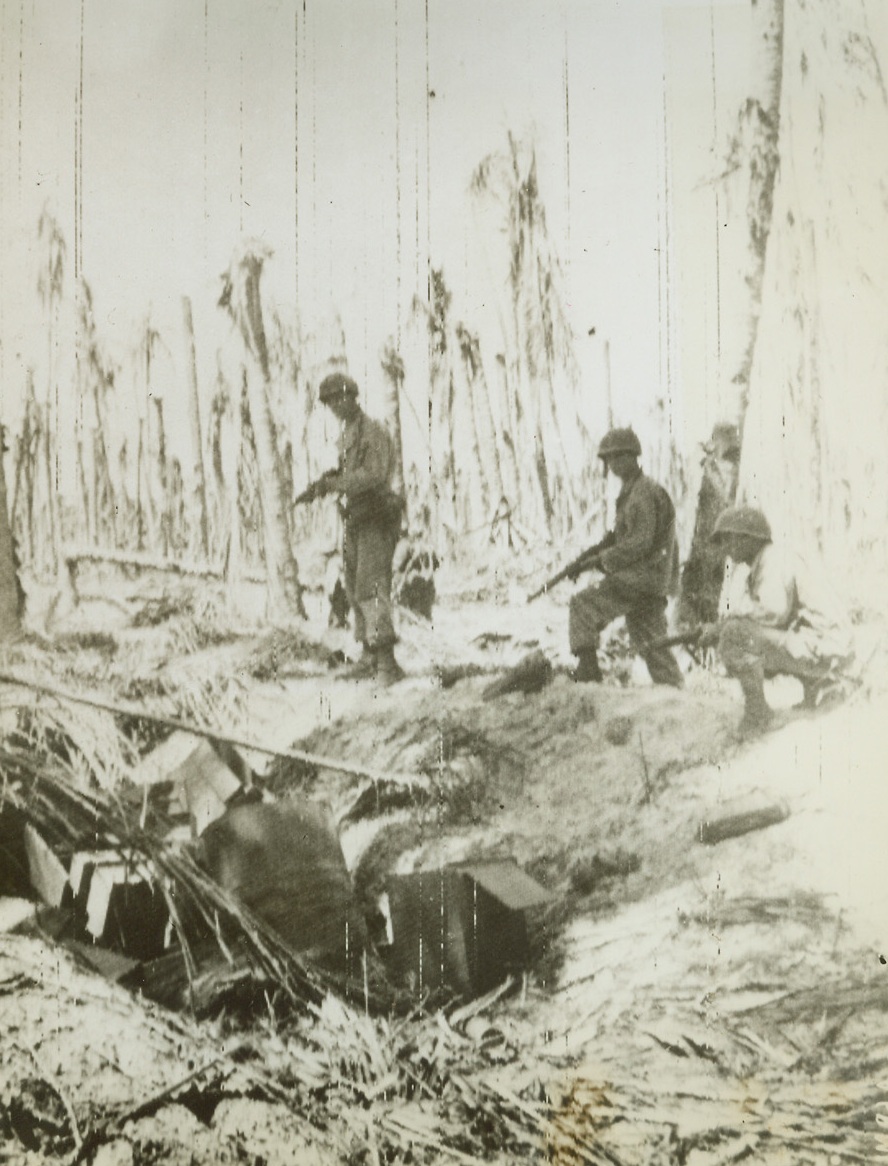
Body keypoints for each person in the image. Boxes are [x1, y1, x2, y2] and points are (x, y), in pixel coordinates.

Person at [701, 506, 853, 737]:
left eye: (728, 540)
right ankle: (818, 687)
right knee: (743, 633)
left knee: (735, 634)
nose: (725, 548)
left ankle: (758, 714)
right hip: (826, 646)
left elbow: (772, 613)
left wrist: (722, 627)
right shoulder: (768, 560)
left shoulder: (773, 560)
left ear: (748, 539)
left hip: (827, 649)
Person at [569, 427, 683, 688]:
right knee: (652, 643)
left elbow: (638, 543)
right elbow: (622, 536)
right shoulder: (635, 491)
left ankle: (588, 673)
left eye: (619, 457)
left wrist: (599, 560)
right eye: (609, 459)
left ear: (633, 457)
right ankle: (676, 692)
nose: (613, 464)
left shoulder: (643, 493)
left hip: (640, 579)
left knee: (583, 605)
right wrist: (593, 553)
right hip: (649, 581)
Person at [313, 372, 405, 686]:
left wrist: (335, 483)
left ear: (351, 397)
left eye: (339, 399)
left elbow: (373, 476)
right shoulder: (349, 434)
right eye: (330, 403)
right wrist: (330, 480)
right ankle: (368, 654)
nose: (335, 407)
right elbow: (351, 473)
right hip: (356, 518)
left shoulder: (372, 431)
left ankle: (386, 663)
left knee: (372, 587)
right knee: (353, 587)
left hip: (377, 517)